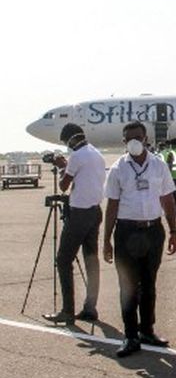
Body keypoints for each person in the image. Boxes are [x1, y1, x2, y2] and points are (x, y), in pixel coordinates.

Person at [103, 121, 176, 358]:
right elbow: (112, 206)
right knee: (128, 286)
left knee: (149, 284)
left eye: (138, 137)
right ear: (124, 142)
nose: (134, 142)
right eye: (129, 139)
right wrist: (106, 239)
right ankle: (130, 335)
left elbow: (168, 199)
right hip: (126, 233)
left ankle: (147, 330)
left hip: (153, 231)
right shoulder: (117, 169)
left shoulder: (158, 165)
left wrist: (174, 231)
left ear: (146, 138)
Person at [42, 123, 106, 324]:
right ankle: (90, 307)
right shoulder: (96, 153)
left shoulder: (77, 156)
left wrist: (62, 165)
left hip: (79, 213)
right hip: (95, 211)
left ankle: (67, 311)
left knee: (63, 260)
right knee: (91, 260)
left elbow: (64, 185)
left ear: (70, 139)